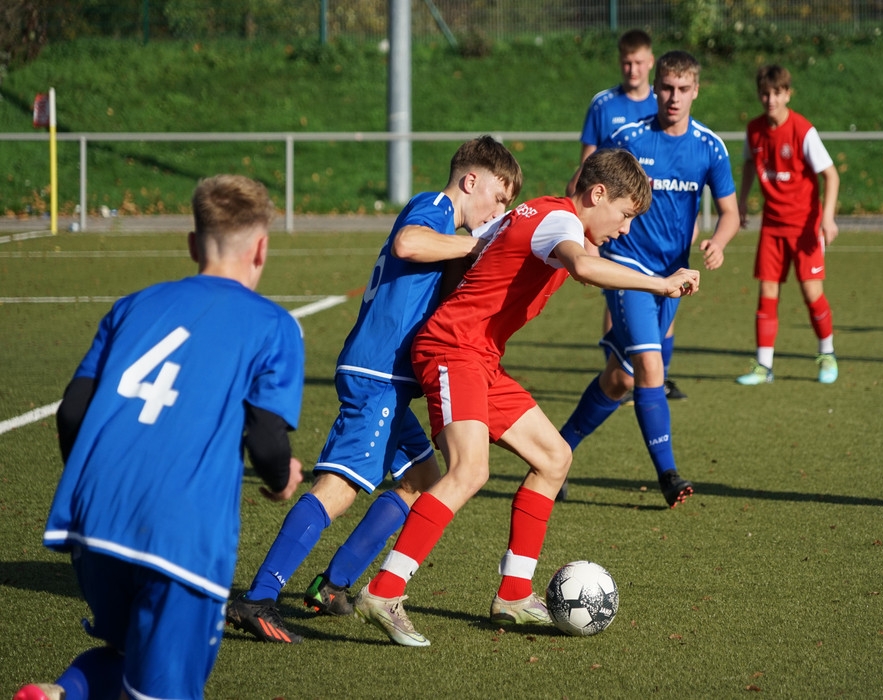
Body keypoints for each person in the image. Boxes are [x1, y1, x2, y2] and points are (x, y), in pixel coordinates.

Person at [352, 148, 700, 647]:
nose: (625, 229)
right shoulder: (560, 222)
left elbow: (472, 256)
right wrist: (660, 285)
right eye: (624, 215)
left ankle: (513, 594)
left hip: (479, 358)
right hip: (455, 350)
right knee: (469, 470)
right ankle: (384, 591)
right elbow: (583, 266)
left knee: (555, 457)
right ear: (597, 194)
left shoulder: (535, 212)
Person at [15, 175, 305, 700]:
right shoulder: (273, 325)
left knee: (128, 654)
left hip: (94, 521)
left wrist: (100, 487)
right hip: (181, 531)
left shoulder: (132, 305)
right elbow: (266, 441)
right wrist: (283, 477)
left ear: (193, 244)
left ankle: (62, 694)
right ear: (261, 248)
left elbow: (72, 411)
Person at [225, 136, 522, 644]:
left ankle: (332, 585)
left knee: (423, 481)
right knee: (338, 488)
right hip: (378, 373)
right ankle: (259, 597)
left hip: (390, 378)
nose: (499, 211)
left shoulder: (445, 226)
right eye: (499, 197)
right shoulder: (435, 206)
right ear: (471, 180)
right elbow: (407, 243)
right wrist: (476, 246)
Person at [558, 50, 740, 505]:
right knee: (650, 368)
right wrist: (589, 244)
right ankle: (669, 476)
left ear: (696, 91)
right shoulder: (629, 138)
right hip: (628, 268)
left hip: (672, 276)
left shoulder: (709, 146)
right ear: (655, 88)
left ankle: (555, 451)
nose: (674, 97)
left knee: (619, 379)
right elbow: (581, 186)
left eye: (683, 89)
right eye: (667, 88)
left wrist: (719, 242)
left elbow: (731, 212)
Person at [568, 28, 688, 402]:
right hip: (618, 231)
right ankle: (621, 371)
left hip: (658, 231)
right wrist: (581, 229)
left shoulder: (663, 102)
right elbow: (588, 167)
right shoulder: (604, 105)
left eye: (638, 62)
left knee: (661, 308)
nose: (632, 69)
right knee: (620, 294)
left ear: (650, 63)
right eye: (626, 62)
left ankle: (652, 377)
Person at [735, 64, 841, 385]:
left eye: (777, 93)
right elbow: (749, 165)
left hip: (804, 226)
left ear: (787, 94)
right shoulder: (754, 130)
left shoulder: (802, 130)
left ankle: (827, 354)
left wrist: (827, 218)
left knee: (811, 292)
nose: (770, 100)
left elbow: (831, 175)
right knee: (767, 292)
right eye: (765, 93)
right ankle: (764, 366)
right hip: (772, 225)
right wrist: (742, 201)